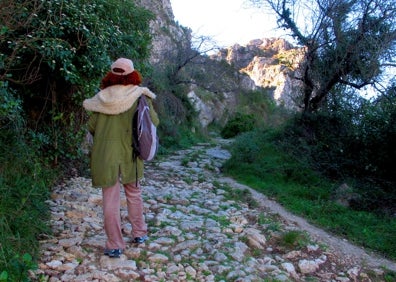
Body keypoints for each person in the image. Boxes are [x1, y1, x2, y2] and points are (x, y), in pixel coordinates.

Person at [83, 58, 159, 258]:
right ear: (132, 74)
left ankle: (114, 244)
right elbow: (154, 121)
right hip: (130, 155)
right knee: (134, 194)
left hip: (105, 157)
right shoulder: (139, 96)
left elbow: (91, 127)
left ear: (111, 75)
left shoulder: (101, 98)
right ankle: (139, 234)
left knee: (110, 200)